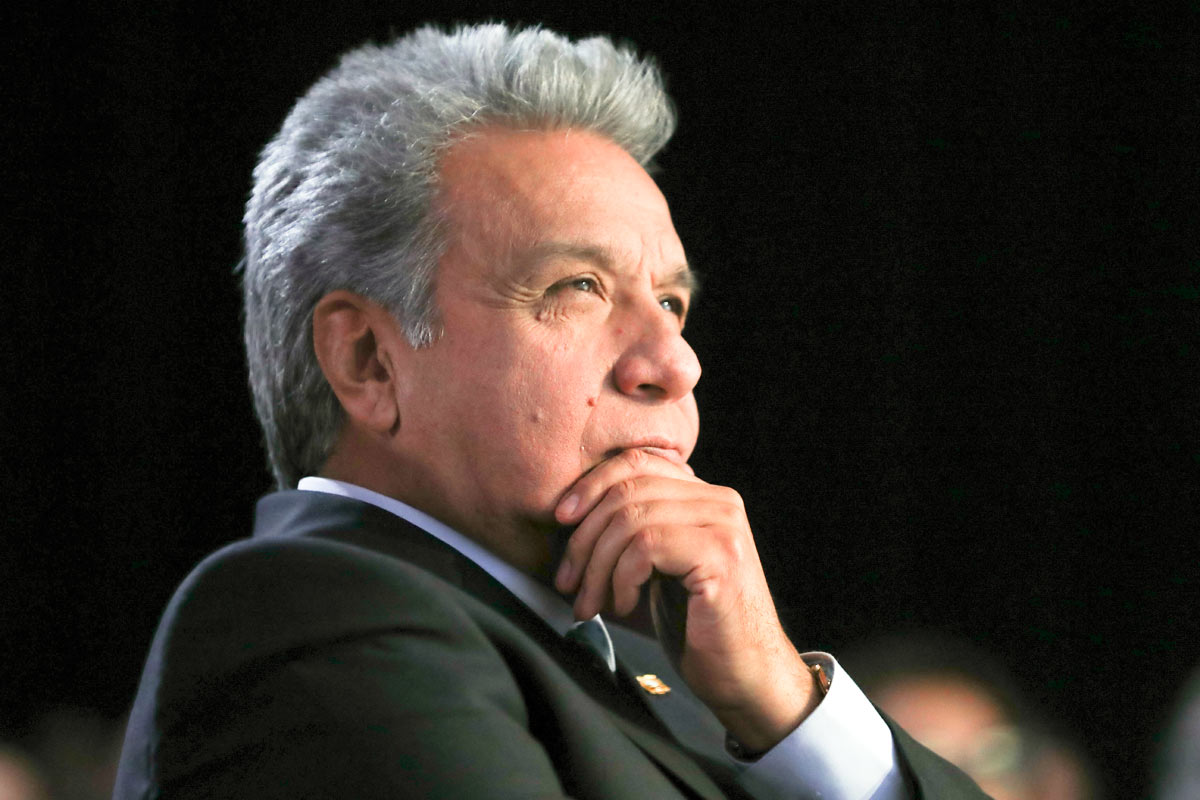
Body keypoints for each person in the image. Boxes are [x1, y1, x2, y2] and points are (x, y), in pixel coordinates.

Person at [113, 23, 985, 799]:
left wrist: (786, 705)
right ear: (368, 361)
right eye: (578, 287)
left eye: (671, 303)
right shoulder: (312, 616)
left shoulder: (680, 684)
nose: (675, 364)